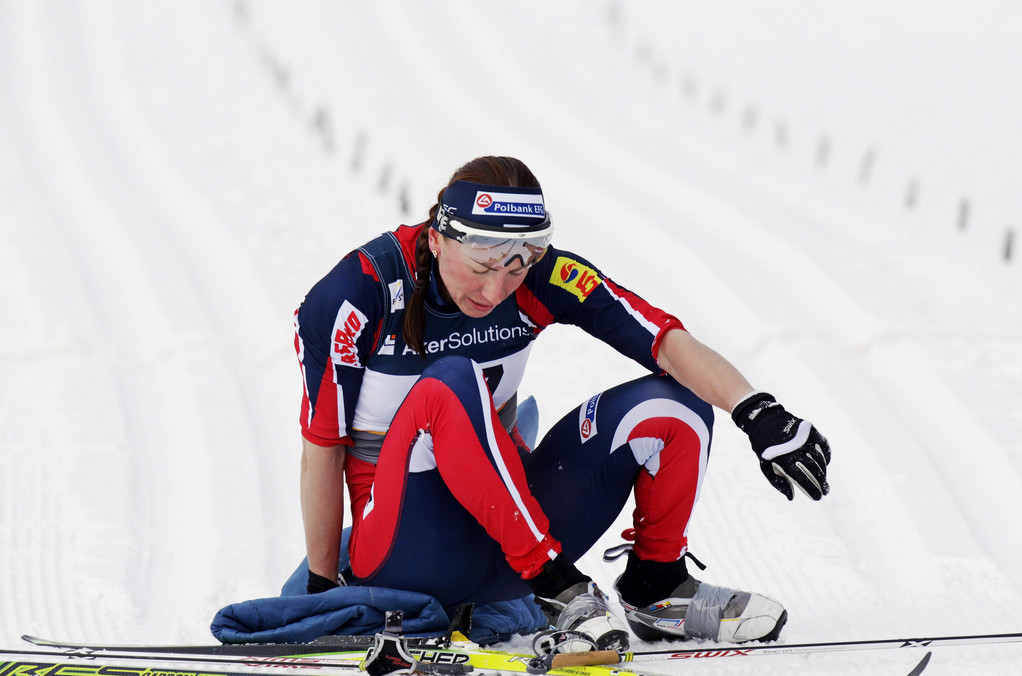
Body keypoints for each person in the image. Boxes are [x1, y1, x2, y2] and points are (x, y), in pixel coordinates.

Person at [294, 156, 831, 652]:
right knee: (449, 382)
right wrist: (322, 588)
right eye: (481, 268)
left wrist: (758, 412)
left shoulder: (545, 276)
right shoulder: (356, 292)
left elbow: (662, 338)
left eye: (517, 268)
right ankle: (559, 589)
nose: (496, 290)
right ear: (438, 240)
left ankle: (658, 589)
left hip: (505, 547)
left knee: (673, 400)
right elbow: (323, 446)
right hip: (406, 552)